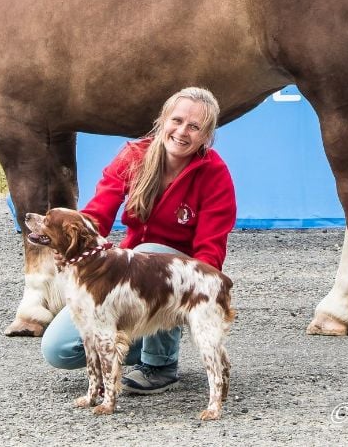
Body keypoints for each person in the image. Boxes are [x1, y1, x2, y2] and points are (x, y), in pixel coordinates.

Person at [41, 86, 237, 394]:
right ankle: (143, 337)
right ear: (162, 120)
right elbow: (95, 218)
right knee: (60, 349)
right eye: (177, 120)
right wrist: (69, 244)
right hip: (129, 279)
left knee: (150, 253)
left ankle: (160, 365)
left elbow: (210, 252)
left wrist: (197, 303)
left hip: (179, 283)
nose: (182, 131)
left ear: (206, 136)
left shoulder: (215, 174)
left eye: (194, 126)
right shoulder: (134, 155)